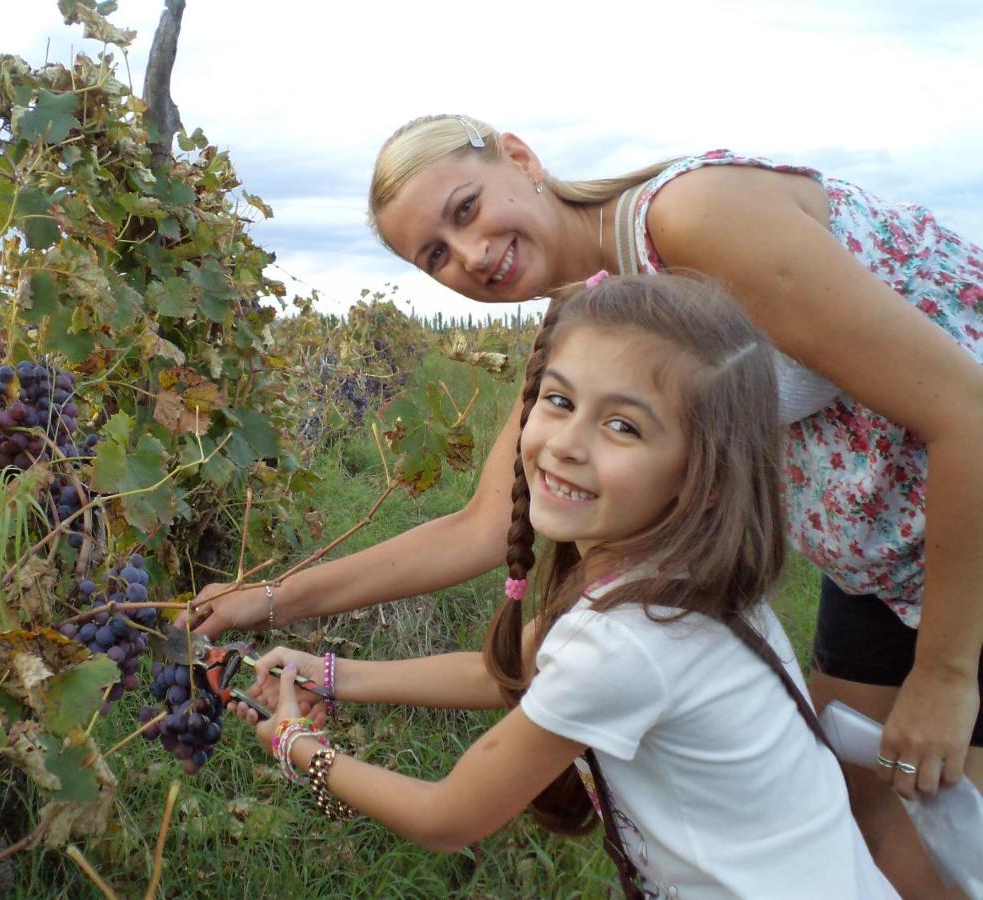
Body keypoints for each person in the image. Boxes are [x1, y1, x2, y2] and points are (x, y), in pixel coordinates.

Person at [187, 115, 983, 895]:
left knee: (957, 829)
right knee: (866, 817)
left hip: (967, 539)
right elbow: (482, 525)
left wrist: (948, 674)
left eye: (465, 209)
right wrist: (267, 602)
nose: (469, 255)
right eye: (434, 255)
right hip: (875, 556)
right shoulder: (596, 317)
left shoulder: (692, 220)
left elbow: (968, 412)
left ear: (520, 157)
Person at [231, 274, 899, 898]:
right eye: (559, 400)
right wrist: (327, 673)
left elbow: (446, 818)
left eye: (623, 425)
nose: (565, 443)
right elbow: (507, 671)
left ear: (705, 471)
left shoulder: (628, 642)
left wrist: (297, 747)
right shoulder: (675, 579)